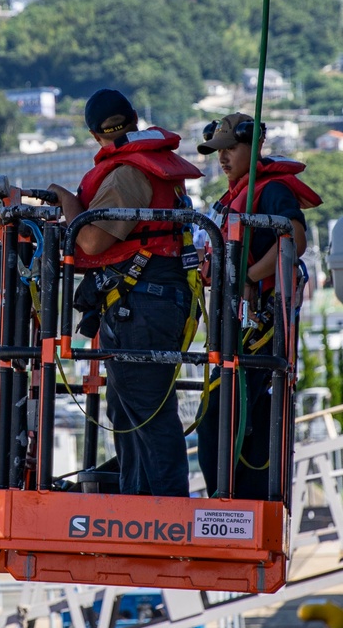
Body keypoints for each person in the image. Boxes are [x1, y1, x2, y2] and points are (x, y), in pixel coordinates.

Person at [49, 88, 203, 497]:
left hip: (142, 306)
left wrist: (68, 203)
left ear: (94, 134)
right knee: (130, 414)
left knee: (148, 417)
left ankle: (168, 517)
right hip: (150, 303)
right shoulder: (150, 165)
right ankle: (140, 503)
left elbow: (92, 243)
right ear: (133, 119)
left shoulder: (127, 173)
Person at [195, 113, 319, 498]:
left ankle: (239, 503)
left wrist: (249, 278)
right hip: (234, 325)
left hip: (260, 327)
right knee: (218, 417)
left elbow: (294, 239)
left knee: (236, 417)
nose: (224, 157)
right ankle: (226, 497)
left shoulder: (272, 191)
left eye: (232, 148)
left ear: (256, 148)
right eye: (220, 151)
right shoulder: (236, 195)